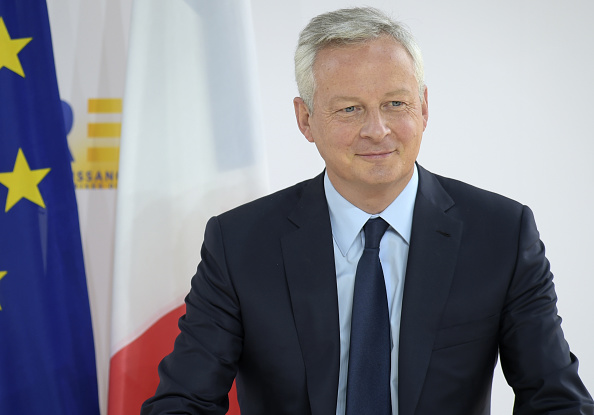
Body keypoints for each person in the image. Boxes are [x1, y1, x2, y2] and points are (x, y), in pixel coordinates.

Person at [141, 7, 593, 415]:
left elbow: (555, 399)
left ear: (424, 107)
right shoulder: (240, 243)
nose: (377, 130)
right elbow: (183, 402)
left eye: (395, 104)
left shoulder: (501, 234)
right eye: (350, 109)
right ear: (305, 120)